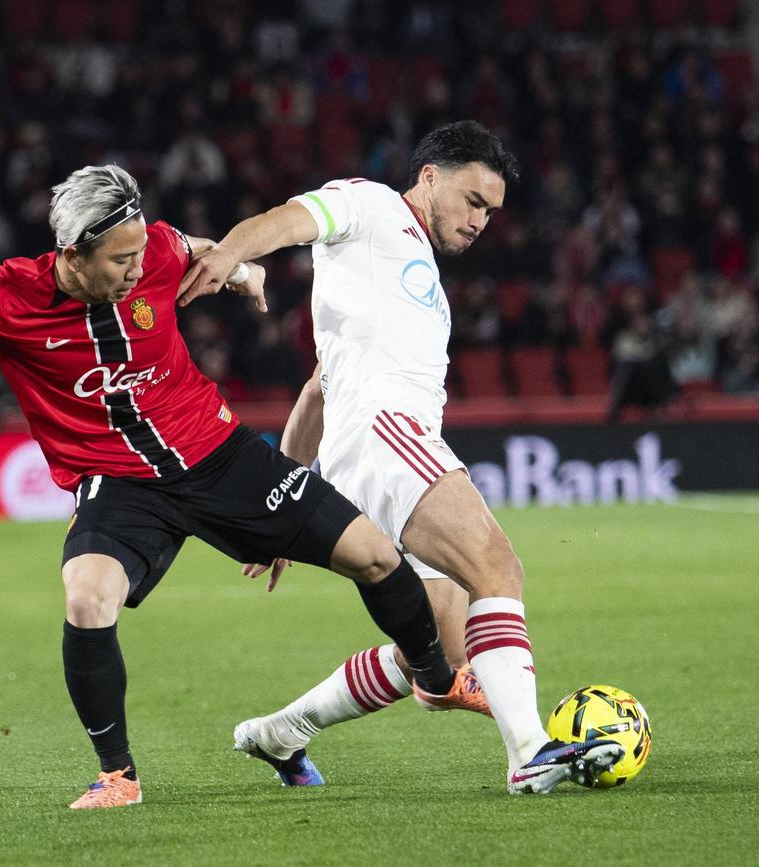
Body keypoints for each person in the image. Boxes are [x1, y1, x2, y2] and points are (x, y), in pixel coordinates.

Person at [0, 164, 485, 810]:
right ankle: (118, 776)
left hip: (221, 456)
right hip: (123, 483)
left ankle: (435, 677)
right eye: (122, 260)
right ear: (72, 254)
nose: (142, 267)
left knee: (376, 555)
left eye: (143, 252)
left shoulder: (157, 251)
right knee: (86, 595)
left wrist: (238, 268)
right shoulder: (6, 296)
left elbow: (189, 245)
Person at [180, 122, 624, 795]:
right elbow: (285, 220)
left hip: (371, 447)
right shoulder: (369, 205)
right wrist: (229, 254)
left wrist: (283, 503)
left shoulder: (410, 281)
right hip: (388, 436)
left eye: (493, 212)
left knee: (442, 655)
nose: (481, 221)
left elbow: (318, 390)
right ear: (429, 176)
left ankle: (282, 730)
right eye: (474, 200)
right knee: (497, 566)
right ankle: (530, 751)